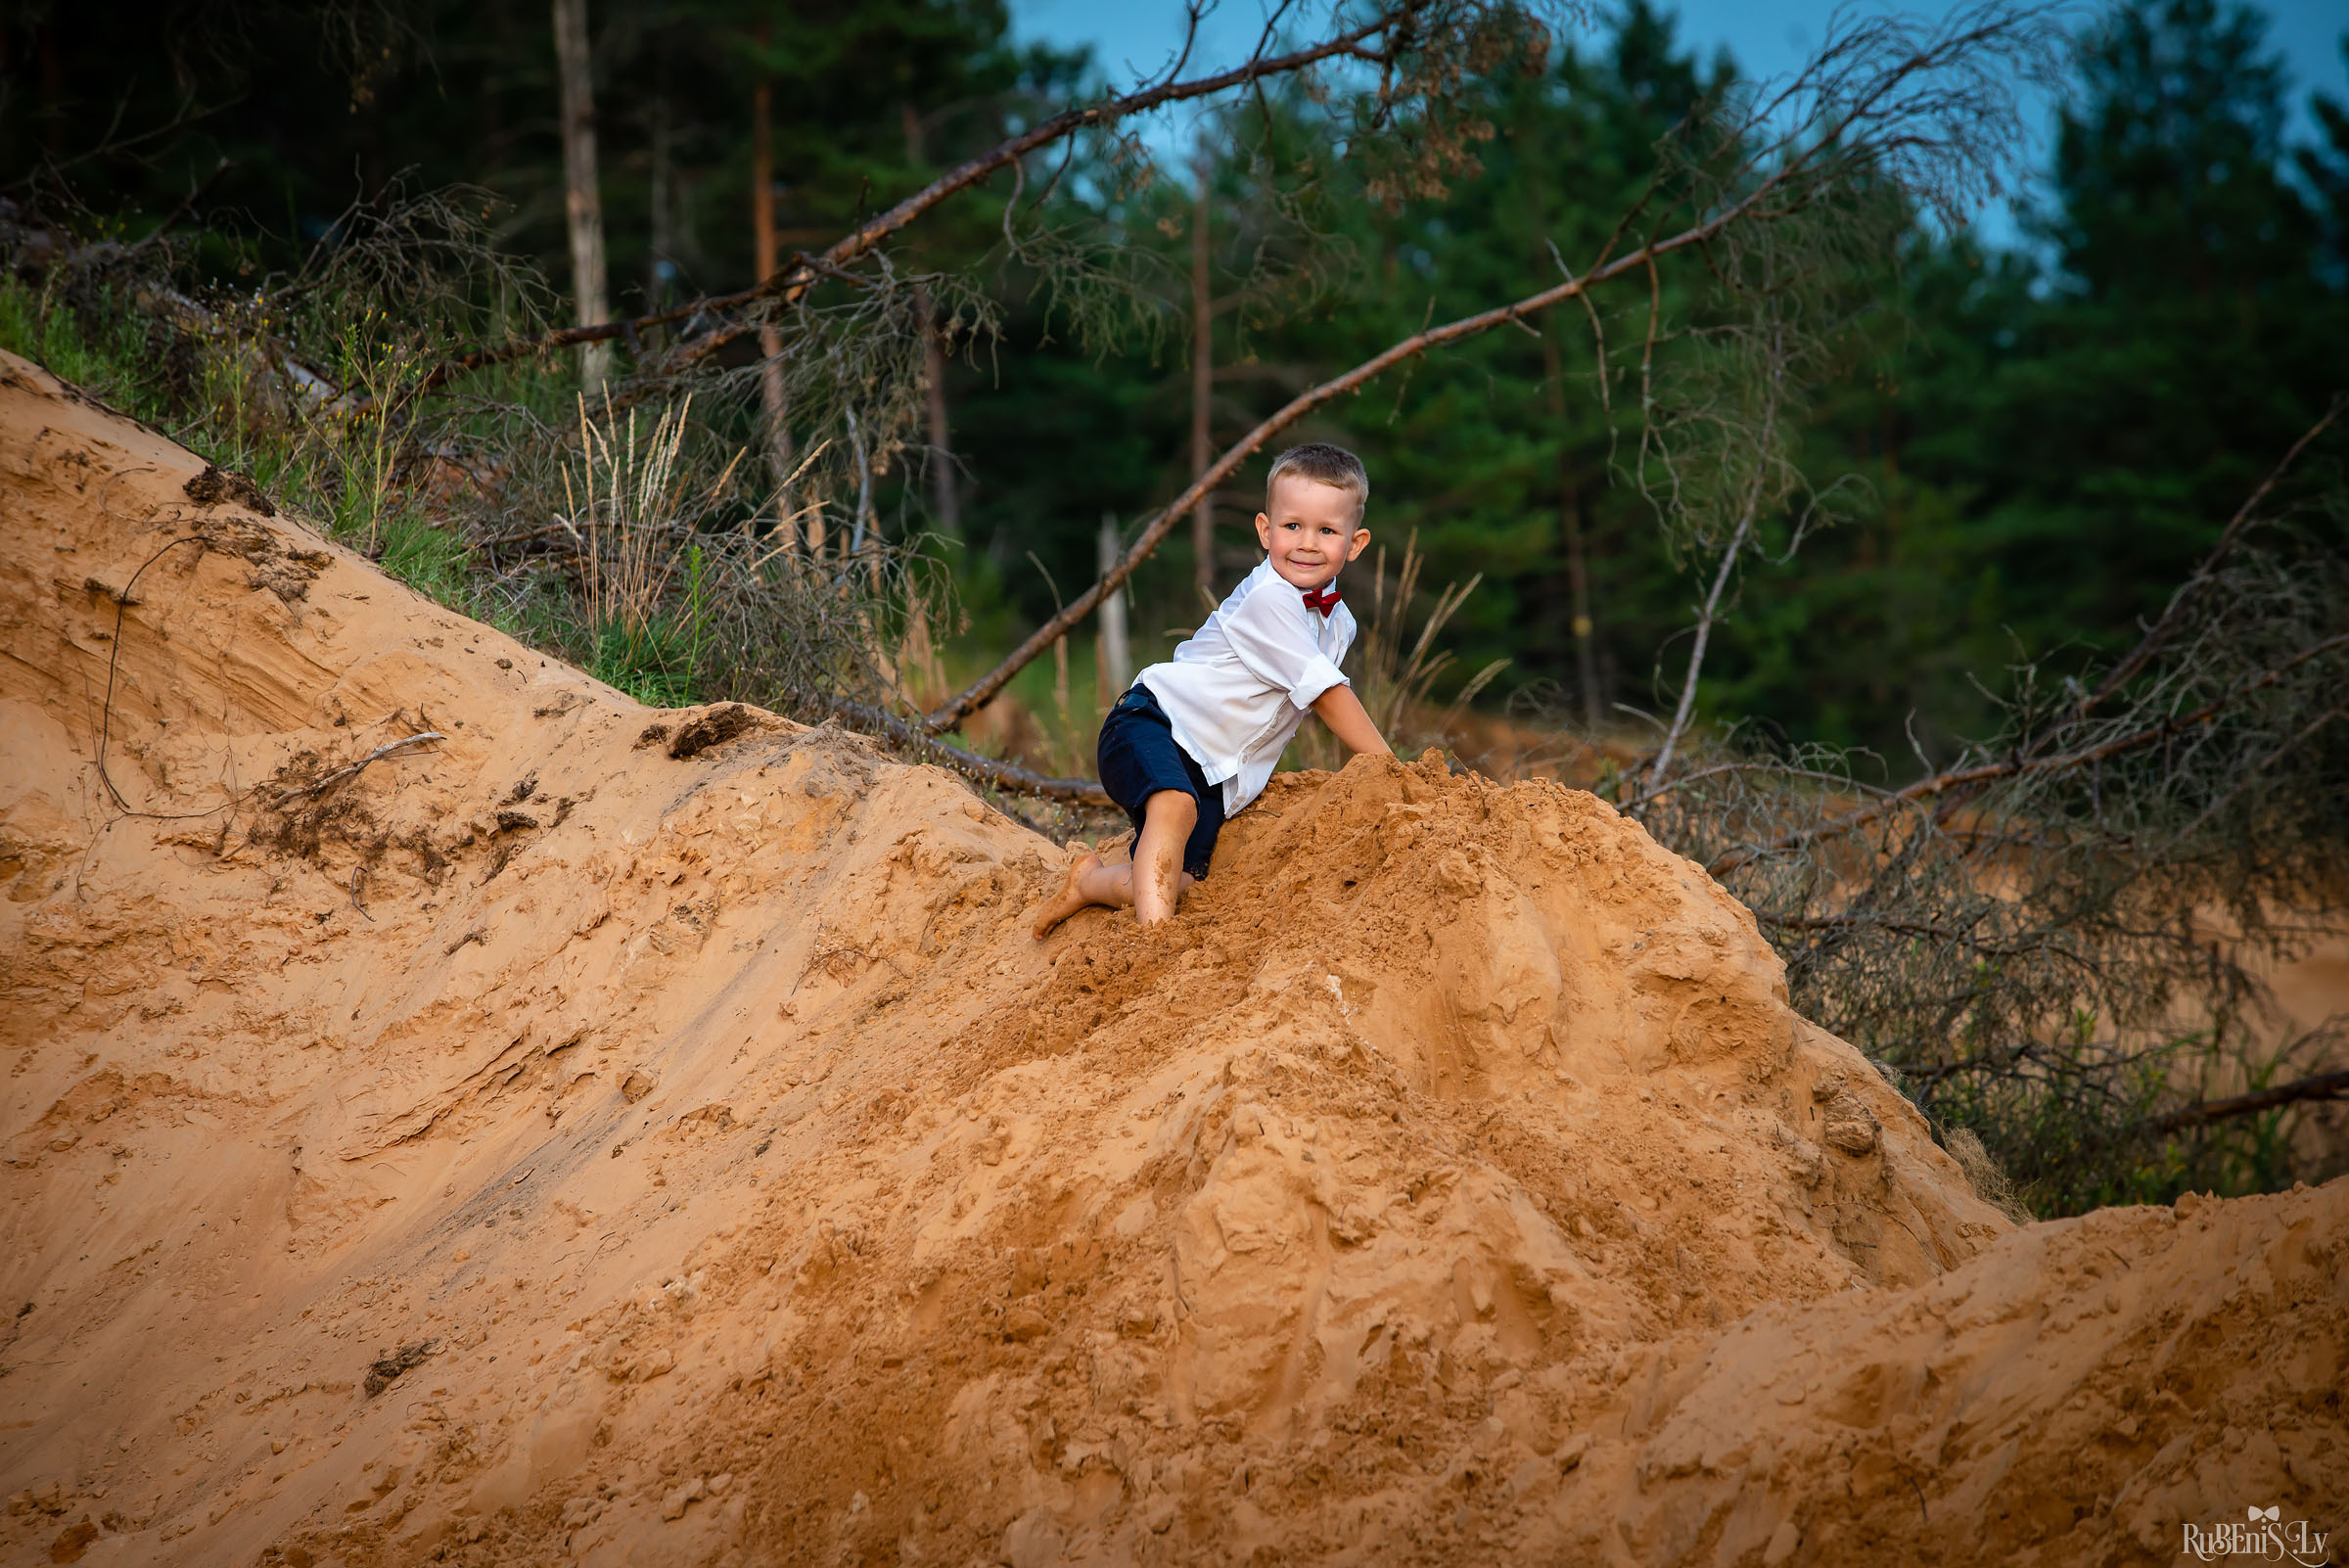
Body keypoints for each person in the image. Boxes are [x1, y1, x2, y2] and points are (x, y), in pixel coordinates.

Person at [1032, 441, 1394, 937]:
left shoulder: (1339, 624)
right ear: (1266, 531)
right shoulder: (1270, 598)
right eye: (1292, 526)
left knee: (1178, 880)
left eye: (1327, 531)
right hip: (1153, 724)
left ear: (1354, 543)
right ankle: (1154, 948)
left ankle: (1089, 884)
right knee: (1174, 805)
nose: (1307, 543)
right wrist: (1393, 770)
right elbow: (1328, 696)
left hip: (1215, 775)